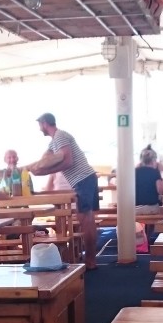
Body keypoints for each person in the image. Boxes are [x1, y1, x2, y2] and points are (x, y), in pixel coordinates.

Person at [28, 113, 101, 269]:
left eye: (39, 125)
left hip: (83, 179)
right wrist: (28, 168)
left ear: (44, 123)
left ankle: (90, 261)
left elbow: (68, 162)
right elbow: (43, 161)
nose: (39, 129)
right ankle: (90, 260)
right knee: (87, 220)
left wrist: (43, 172)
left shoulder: (60, 136)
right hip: (86, 179)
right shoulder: (54, 142)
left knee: (86, 220)